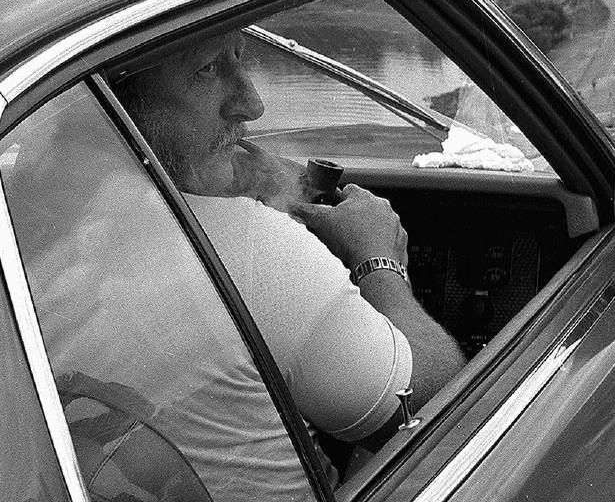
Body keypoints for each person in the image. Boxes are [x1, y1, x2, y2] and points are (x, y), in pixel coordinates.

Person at [110, 31, 466, 487]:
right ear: (124, 102)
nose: (253, 104)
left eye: (239, 57)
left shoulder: (46, 220)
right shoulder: (251, 252)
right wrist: (380, 262)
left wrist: (236, 174)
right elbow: (435, 405)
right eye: (205, 69)